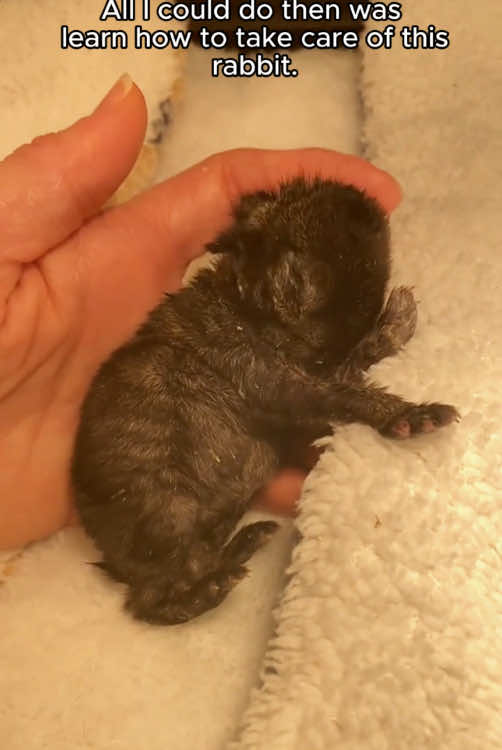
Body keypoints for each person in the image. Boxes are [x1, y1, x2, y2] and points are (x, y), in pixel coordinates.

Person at [0, 74, 401, 549]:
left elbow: (294, 384)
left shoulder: (252, 324)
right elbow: (287, 387)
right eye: (301, 290)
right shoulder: (222, 333)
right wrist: (386, 407)